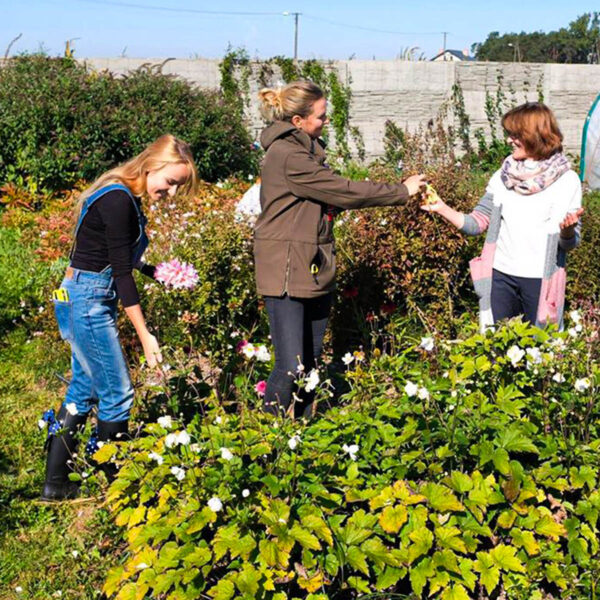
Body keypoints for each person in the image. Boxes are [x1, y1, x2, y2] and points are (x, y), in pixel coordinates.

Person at [254, 80, 426, 418]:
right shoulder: (289, 156)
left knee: (311, 361)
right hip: (286, 267)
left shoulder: (306, 152)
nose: (326, 122)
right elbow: (342, 190)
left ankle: (303, 431)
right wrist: (400, 191)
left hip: (312, 263)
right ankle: (266, 438)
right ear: (298, 122)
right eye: (320, 116)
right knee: (291, 364)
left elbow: (330, 198)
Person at [42, 134, 198, 501]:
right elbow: (118, 270)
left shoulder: (118, 194)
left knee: (86, 388)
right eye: (171, 182)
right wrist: (145, 335)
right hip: (88, 300)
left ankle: (57, 483)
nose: (171, 193)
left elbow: (117, 257)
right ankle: (116, 488)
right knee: (118, 394)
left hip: (80, 294)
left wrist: (157, 272)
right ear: (151, 165)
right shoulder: (118, 200)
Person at [421, 102, 583, 331]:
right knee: (496, 349)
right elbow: (476, 223)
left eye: (515, 135)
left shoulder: (567, 181)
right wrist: (441, 207)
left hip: (540, 280)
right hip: (500, 276)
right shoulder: (503, 176)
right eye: (509, 134)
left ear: (535, 135)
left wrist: (567, 231)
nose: (508, 140)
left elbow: (569, 243)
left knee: (541, 352)